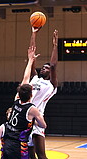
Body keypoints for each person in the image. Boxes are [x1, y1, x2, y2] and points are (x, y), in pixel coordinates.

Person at [0, 46, 46, 159]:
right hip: (19, 147)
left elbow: (25, 78)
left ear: (19, 94)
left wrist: (30, 60)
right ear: (31, 95)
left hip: (7, 144)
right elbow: (43, 125)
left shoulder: (16, 101)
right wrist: (34, 121)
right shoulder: (32, 109)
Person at [28, 28, 58, 159]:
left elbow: (53, 65)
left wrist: (55, 46)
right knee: (29, 155)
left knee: (41, 155)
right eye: (43, 67)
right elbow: (31, 53)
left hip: (37, 120)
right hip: (25, 118)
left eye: (46, 68)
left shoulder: (52, 85)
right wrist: (33, 33)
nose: (44, 69)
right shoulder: (34, 77)